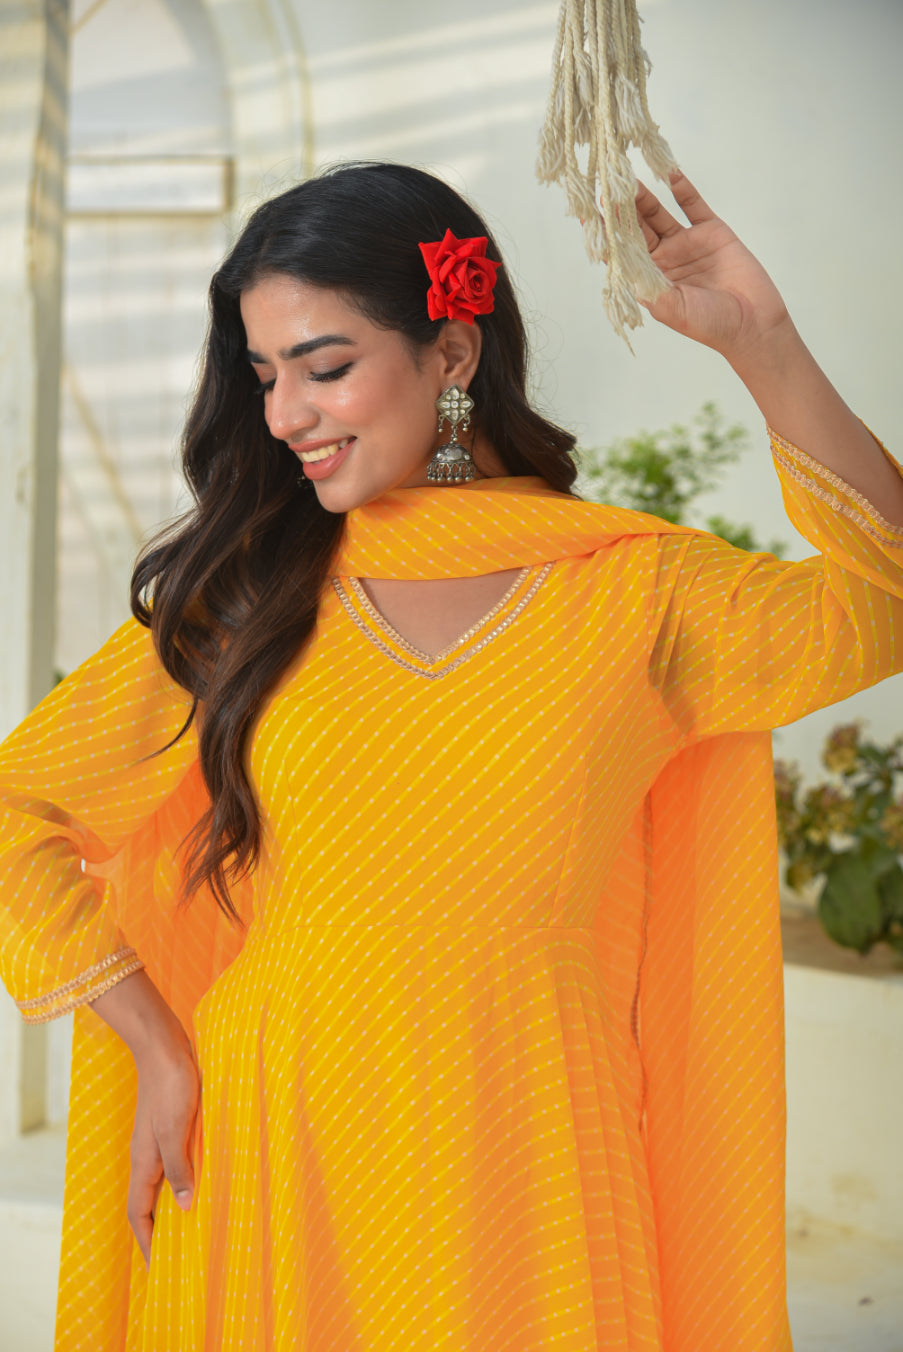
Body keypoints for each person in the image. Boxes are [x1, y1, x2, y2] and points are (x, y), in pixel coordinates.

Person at [1, 160, 902, 1352]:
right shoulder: (245, 604)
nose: (284, 415)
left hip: (532, 1163)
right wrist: (155, 1039)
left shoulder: (636, 596)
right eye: (265, 377)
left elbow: (877, 603)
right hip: (271, 1151)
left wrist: (765, 341)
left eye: (325, 368)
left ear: (453, 355)